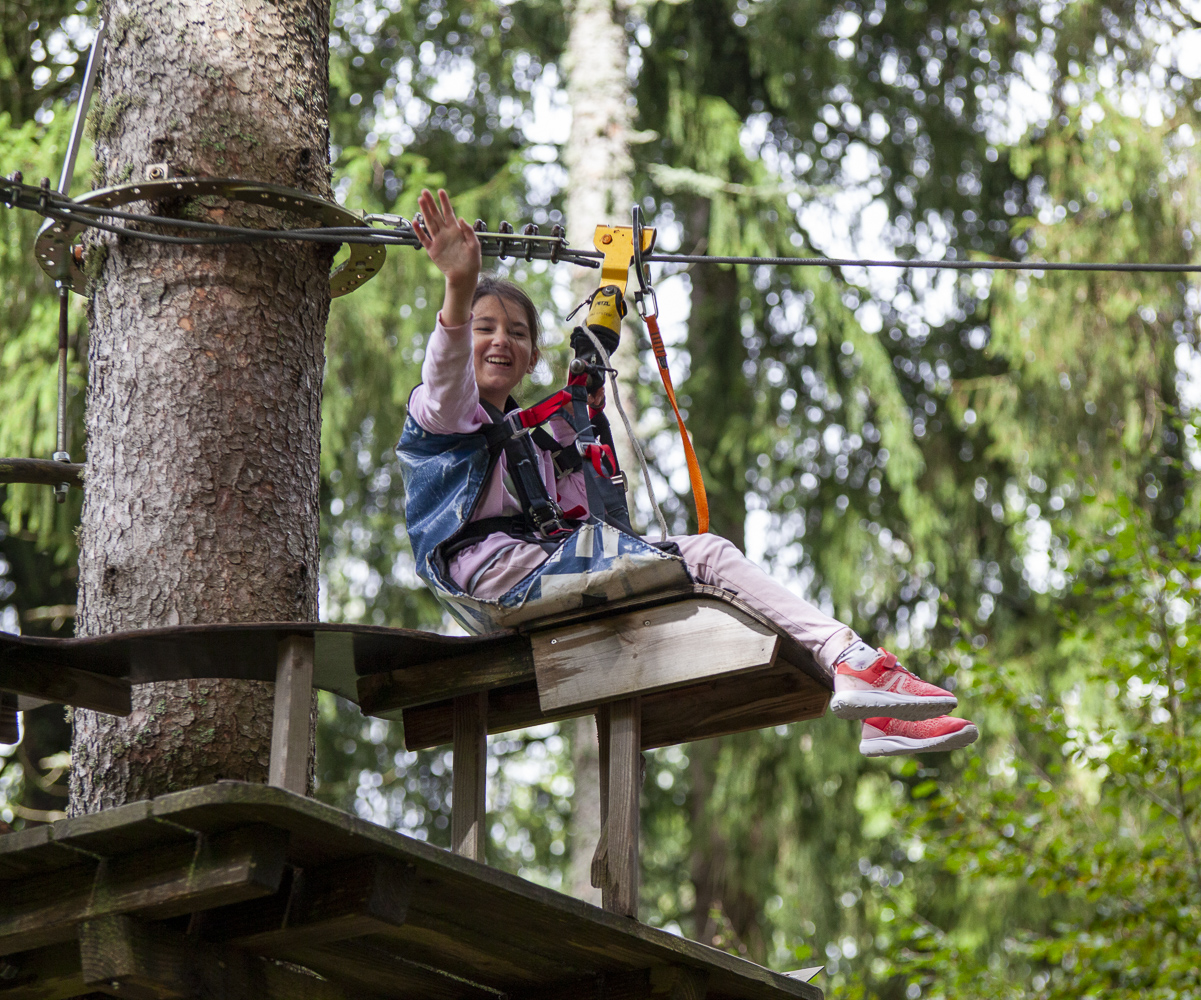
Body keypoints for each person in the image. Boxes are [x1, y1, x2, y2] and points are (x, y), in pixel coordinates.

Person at [398, 188, 978, 757]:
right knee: (708, 557)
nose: (501, 340)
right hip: (499, 582)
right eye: (484, 327)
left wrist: (614, 280)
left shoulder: (537, 443)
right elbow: (447, 374)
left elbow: (586, 386)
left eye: (517, 333)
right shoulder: (439, 414)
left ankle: (869, 705)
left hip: (536, 575)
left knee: (707, 578)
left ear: (530, 357)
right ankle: (854, 660)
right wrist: (459, 285)